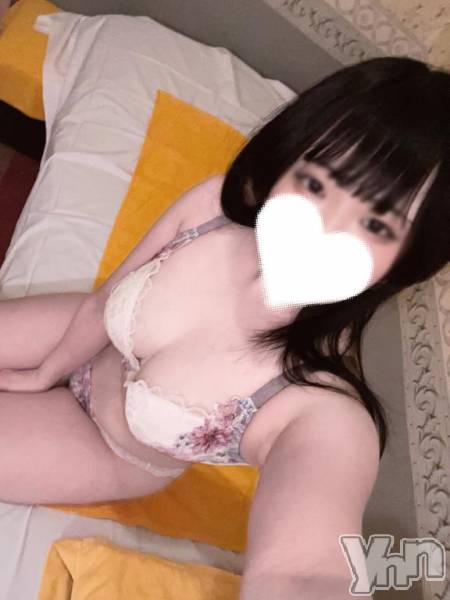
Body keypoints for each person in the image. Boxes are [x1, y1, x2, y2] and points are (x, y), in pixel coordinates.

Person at [0, 56, 448, 599]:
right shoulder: (211, 208)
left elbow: (304, 572)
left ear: (411, 257)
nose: (321, 228)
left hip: (106, 445)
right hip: (87, 342)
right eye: (314, 183)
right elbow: (103, 304)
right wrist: (42, 372)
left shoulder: (320, 404)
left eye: (376, 223)